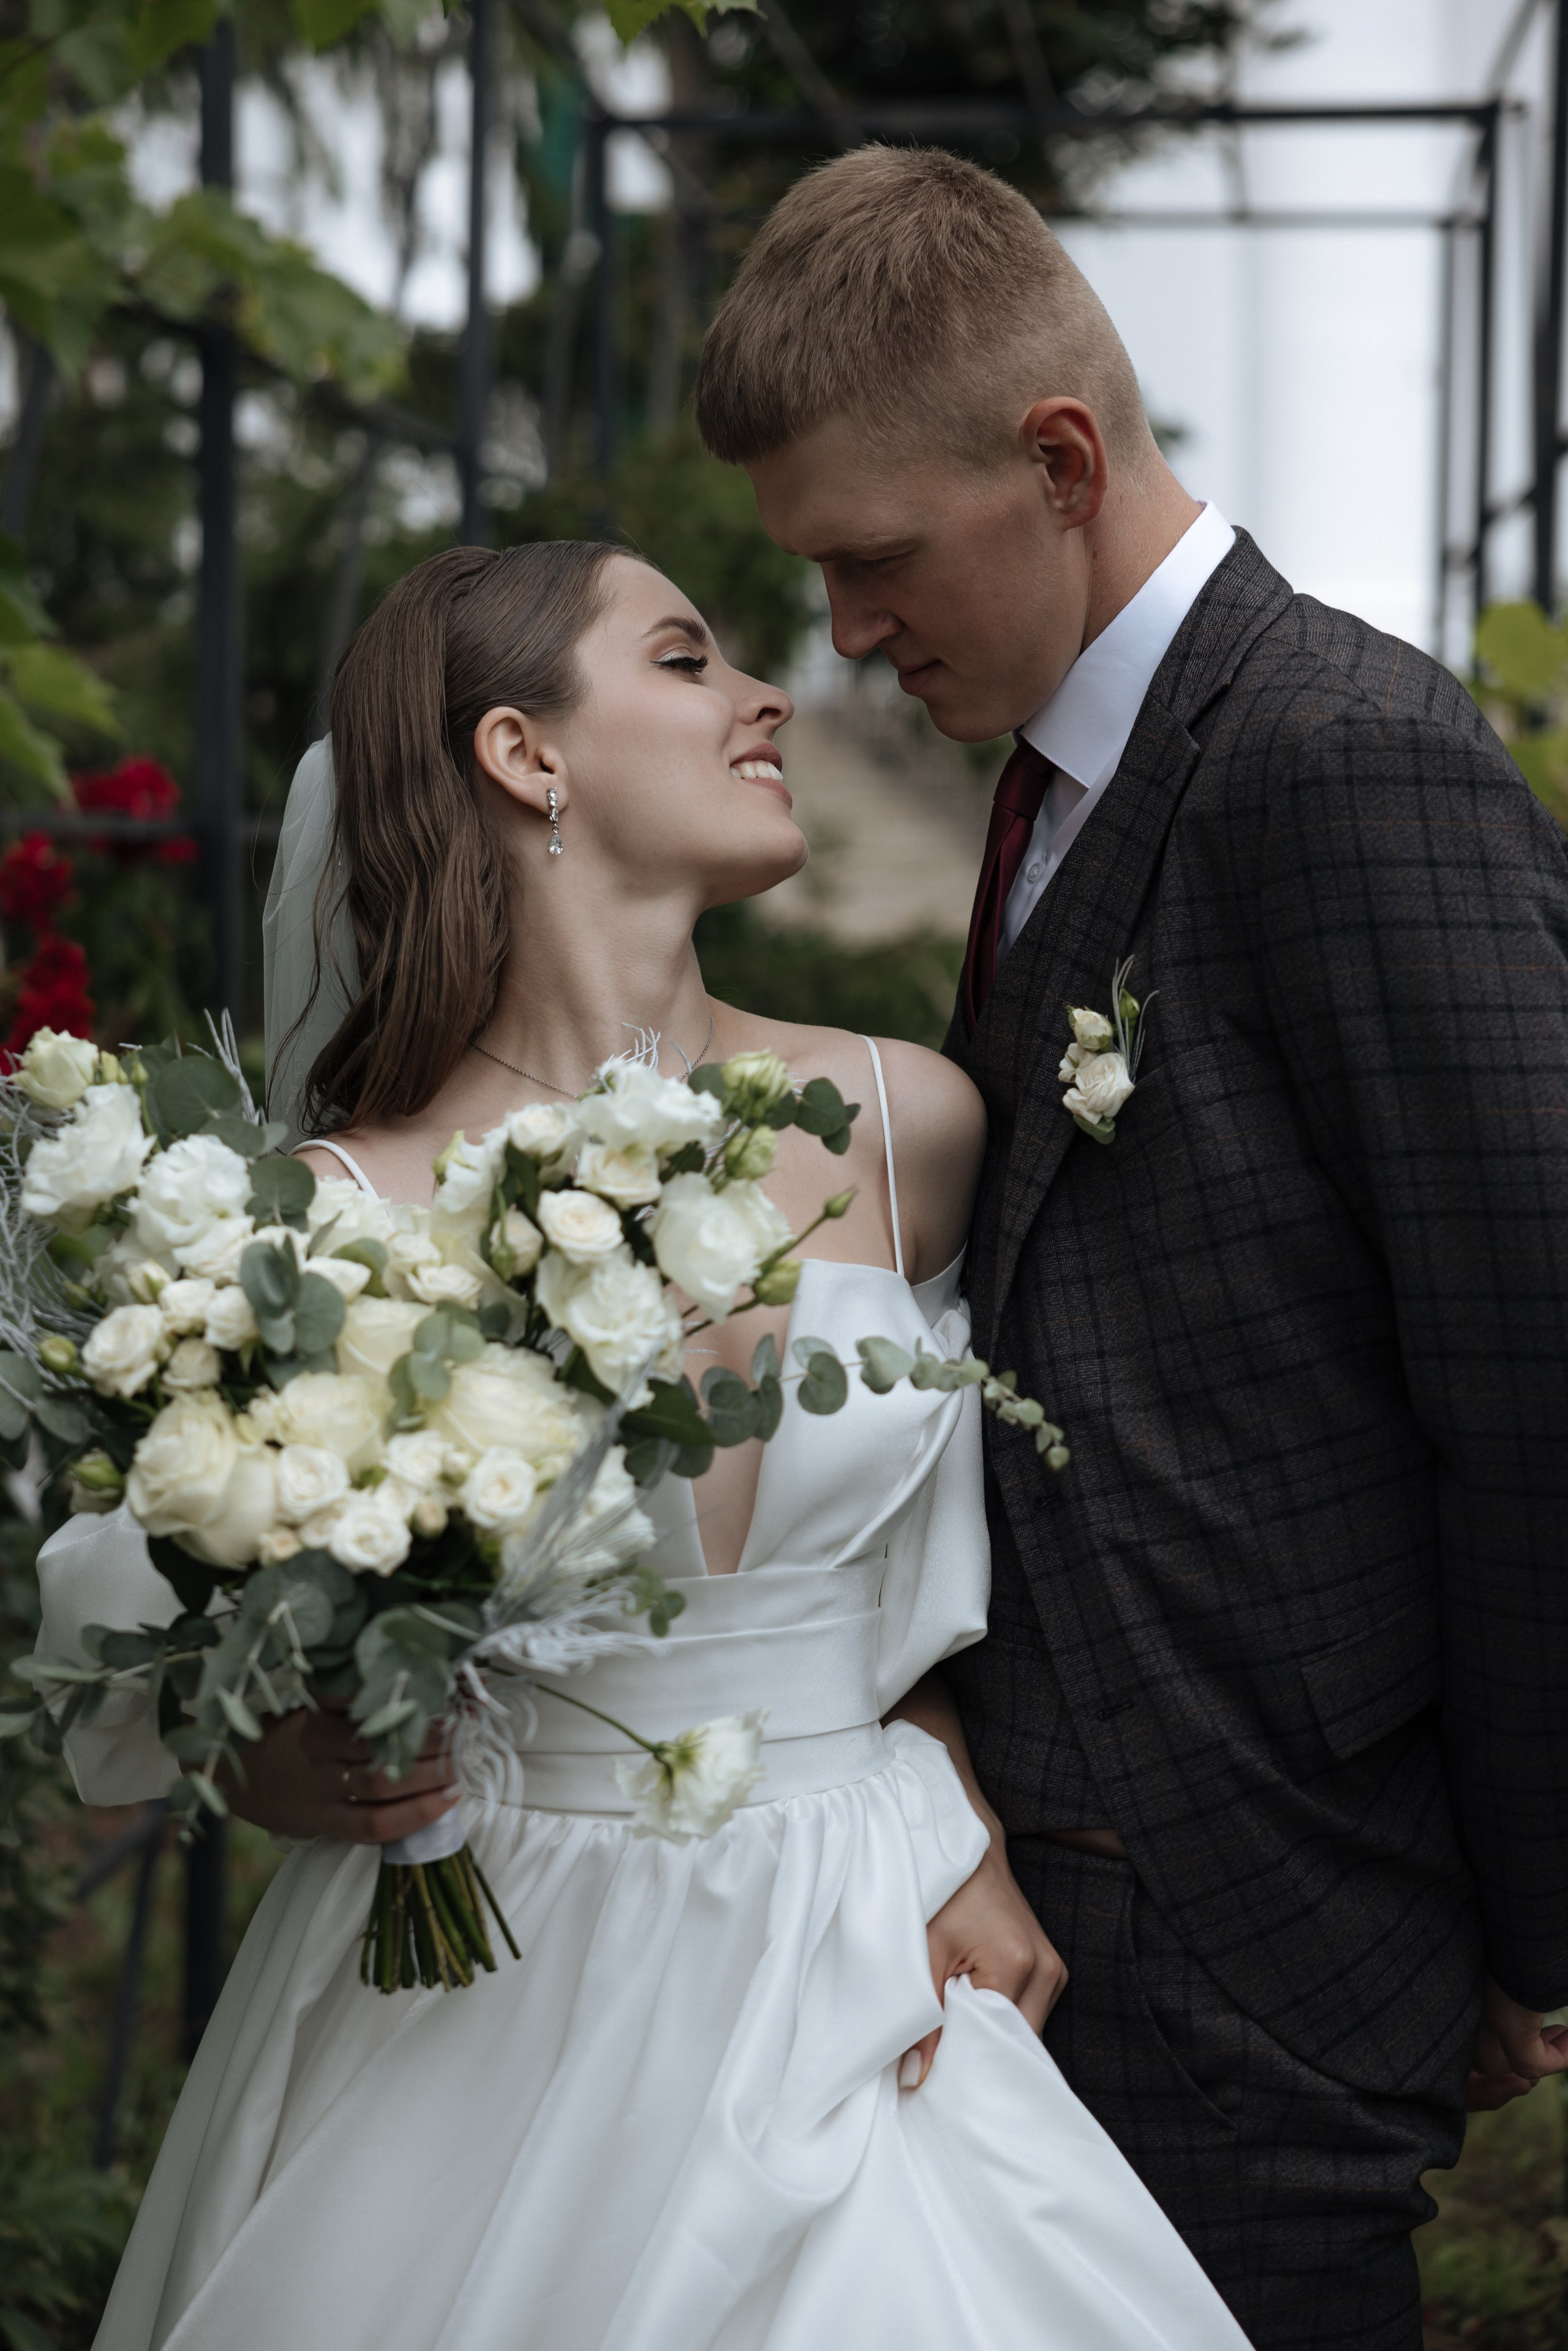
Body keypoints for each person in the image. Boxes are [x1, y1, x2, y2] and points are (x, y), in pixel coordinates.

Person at [39, 540, 1251, 2350]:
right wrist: (280, 1763)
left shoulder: (909, 1124)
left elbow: (932, 1580)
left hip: (876, 1944)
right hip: (489, 1960)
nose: (772, 699)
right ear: (528, 756)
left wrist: (961, 1809)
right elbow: (155, 1645)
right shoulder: (327, 1227)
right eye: (690, 659)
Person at [691, 142, 1568, 2351]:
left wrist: (1524, 1925)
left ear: (1058, 459)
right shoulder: (1066, 771)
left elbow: (1535, 1370)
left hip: (1268, 1914)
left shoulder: (1346, 763)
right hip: (1087, 1907)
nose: (850, 635)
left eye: (875, 561)